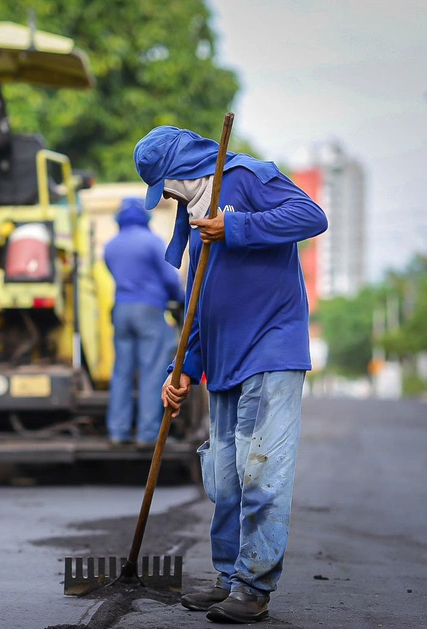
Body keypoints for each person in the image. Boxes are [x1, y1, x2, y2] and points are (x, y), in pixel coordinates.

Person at [134, 126, 328, 623]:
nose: (171, 198)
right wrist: (181, 371)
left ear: (184, 170)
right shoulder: (198, 218)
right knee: (224, 476)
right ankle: (228, 577)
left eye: (169, 186)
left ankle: (254, 587)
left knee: (259, 469)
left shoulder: (247, 177)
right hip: (221, 361)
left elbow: (311, 215)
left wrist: (236, 228)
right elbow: (200, 303)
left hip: (271, 348)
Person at [102, 197, 184, 447]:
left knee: (122, 372)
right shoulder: (152, 242)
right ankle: (148, 435)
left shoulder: (111, 246)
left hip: (122, 311)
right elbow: (170, 279)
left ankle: (118, 431)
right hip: (149, 310)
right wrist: (180, 299)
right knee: (151, 371)